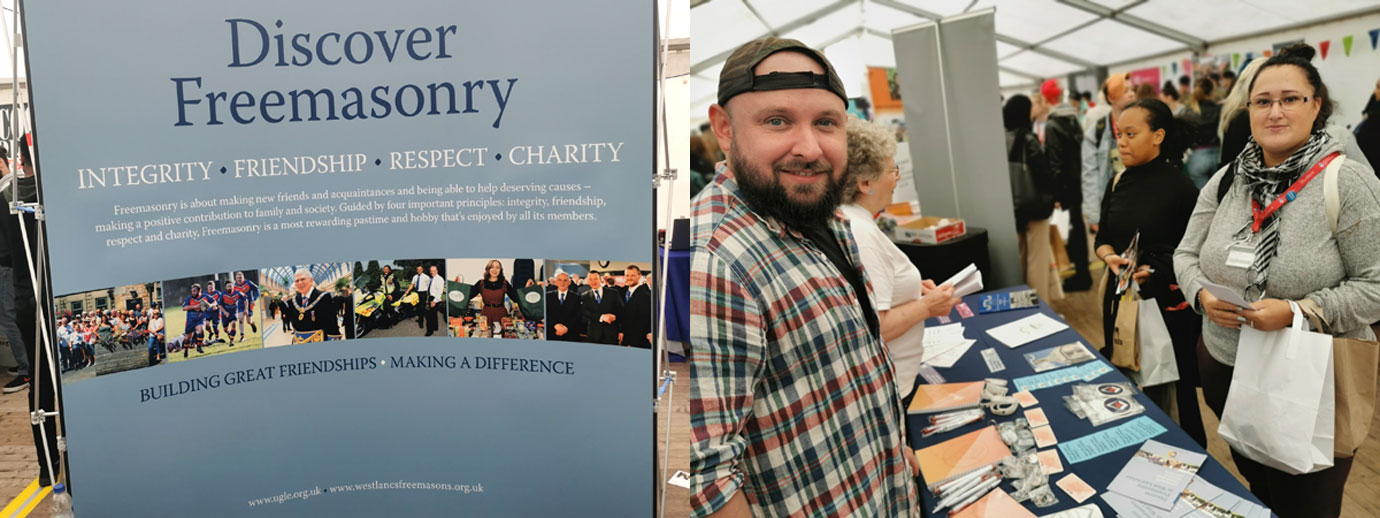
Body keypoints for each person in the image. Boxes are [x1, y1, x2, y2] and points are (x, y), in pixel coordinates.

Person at [690, 37, 919, 518]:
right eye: (778, 121)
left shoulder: (824, 217)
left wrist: (892, 451)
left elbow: (850, 369)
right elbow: (703, 482)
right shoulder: (713, 259)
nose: (810, 148)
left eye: (826, 123)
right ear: (725, 129)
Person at [1174, 43, 1380, 518]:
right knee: (1259, 486)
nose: (1275, 111)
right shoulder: (1228, 180)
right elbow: (1185, 254)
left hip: (1313, 376)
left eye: (1290, 98)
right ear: (1247, 110)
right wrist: (1201, 295)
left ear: (1317, 106)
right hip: (1225, 362)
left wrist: (1297, 310)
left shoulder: (1346, 182)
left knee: (1308, 503)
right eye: (1262, 101)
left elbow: (1375, 287)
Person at [1094, 98, 1206, 447]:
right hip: (1120, 295)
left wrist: (1158, 269)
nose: (1121, 142)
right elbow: (1103, 239)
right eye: (1118, 134)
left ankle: (1183, 455)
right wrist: (1111, 257)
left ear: (1158, 136)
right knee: (1125, 375)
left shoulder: (1182, 189)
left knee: (1173, 389)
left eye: (1131, 133)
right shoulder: (1117, 183)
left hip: (1167, 303)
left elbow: (1196, 250)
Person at [842, 114, 961, 399]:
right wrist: (927, 307)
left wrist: (910, 290)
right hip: (894, 386)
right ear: (865, 183)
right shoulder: (861, 232)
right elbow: (875, 327)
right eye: (891, 169)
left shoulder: (853, 221)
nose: (897, 177)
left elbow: (869, 292)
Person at [1006, 94, 1063, 302]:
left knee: (1021, 259)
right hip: (1035, 208)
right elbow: (1044, 175)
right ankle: (1041, 308)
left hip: (1014, 208)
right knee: (1037, 262)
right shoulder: (1027, 138)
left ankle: (1023, 304)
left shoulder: (1001, 138)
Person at [1036, 79, 1092, 291]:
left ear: (1045, 99)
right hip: (1078, 182)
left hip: (1067, 187)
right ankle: (1082, 271)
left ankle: (1082, 276)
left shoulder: (1053, 124)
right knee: (1077, 227)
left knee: (1073, 230)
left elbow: (1055, 162)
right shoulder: (1072, 118)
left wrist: (1055, 193)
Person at [1083, 73, 1137, 236]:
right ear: (1111, 97)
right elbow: (1089, 175)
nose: (1132, 93)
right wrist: (1094, 215)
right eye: (1126, 90)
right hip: (1113, 205)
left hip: (1141, 200)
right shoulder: (1097, 132)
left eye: (1132, 89)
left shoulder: (1145, 125)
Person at [278, 269, 346, 343]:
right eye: (297, 281)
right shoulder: (292, 301)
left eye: (303, 279)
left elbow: (332, 325)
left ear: (311, 280)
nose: (300, 283)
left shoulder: (324, 297)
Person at [1186, 78, 1222, 188]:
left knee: (1203, 200)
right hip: (1217, 154)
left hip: (1197, 156)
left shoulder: (1190, 111)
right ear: (1211, 92)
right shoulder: (1219, 109)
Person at [469, 260, 525, 327]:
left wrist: (527, 287)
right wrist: (457, 286)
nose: (494, 270)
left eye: (497, 267)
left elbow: (516, 298)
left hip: (501, 315)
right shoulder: (481, 283)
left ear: (500, 270)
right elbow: (468, 295)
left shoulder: (504, 283)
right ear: (488, 269)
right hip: (486, 315)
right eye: (492, 267)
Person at [581, 272, 621, 345]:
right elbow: (585, 312)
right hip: (594, 334)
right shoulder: (584, 296)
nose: (593, 282)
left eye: (596, 279)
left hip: (611, 333)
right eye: (591, 279)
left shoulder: (613, 293)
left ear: (601, 279)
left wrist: (615, 317)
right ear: (588, 281)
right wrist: (601, 317)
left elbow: (621, 310)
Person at [618, 265, 652, 348]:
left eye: (632, 275)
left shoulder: (646, 295)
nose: (629, 278)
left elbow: (646, 320)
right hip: (624, 339)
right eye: (627, 275)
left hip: (639, 341)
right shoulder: (621, 292)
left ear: (639, 276)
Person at [545, 272, 583, 342]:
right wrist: (555, 325)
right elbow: (546, 314)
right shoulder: (547, 296)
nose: (562, 283)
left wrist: (566, 328)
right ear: (555, 282)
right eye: (559, 280)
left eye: (565, 280)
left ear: (569, 282)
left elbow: (578, 315)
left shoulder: (577, 297)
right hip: (552, 334)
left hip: (571, 335)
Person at [1357, 77, 1380, 168]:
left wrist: (1370, 115)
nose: (1376, 90)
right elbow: (1366, 109)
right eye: (1377, 87)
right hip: (1367, 131)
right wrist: (1366, 114)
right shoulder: (1374, 95)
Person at [180, 284, 207, 356]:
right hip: (190, 321)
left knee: (201, 330)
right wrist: (195, 307)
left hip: (199, 319)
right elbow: (184, 308)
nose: (193, 292)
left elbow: (214, 302)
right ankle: (186, 350)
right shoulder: (189, 298)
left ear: (199, 291)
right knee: (187, 338)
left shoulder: (205, 297)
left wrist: (209, 305)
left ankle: (198, 347)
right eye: (192, 291)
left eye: (194, 291)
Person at [233, 271, 259, 339]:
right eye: (237, 278)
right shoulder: (234, 285)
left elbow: (257, 289)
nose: (239, 279)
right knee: (240, 319)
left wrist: (254, 299)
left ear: (243, 278)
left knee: (248, 321)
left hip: (249, 303)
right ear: (236, 278)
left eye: (240, 277)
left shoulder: (248, 283)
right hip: (240, 304)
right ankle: (242, 336)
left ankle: (252, 323)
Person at [426, 264, 444, 336]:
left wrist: (434, 301)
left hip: (435, 298)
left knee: (430, 316)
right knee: (433, 314)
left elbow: (440, 291)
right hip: (431, 297)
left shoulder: (439, 279)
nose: (432, 272)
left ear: (437, 271)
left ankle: (429, 331)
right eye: (431, 271)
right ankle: (435, 327)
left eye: (433, 271)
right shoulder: (431, 278)